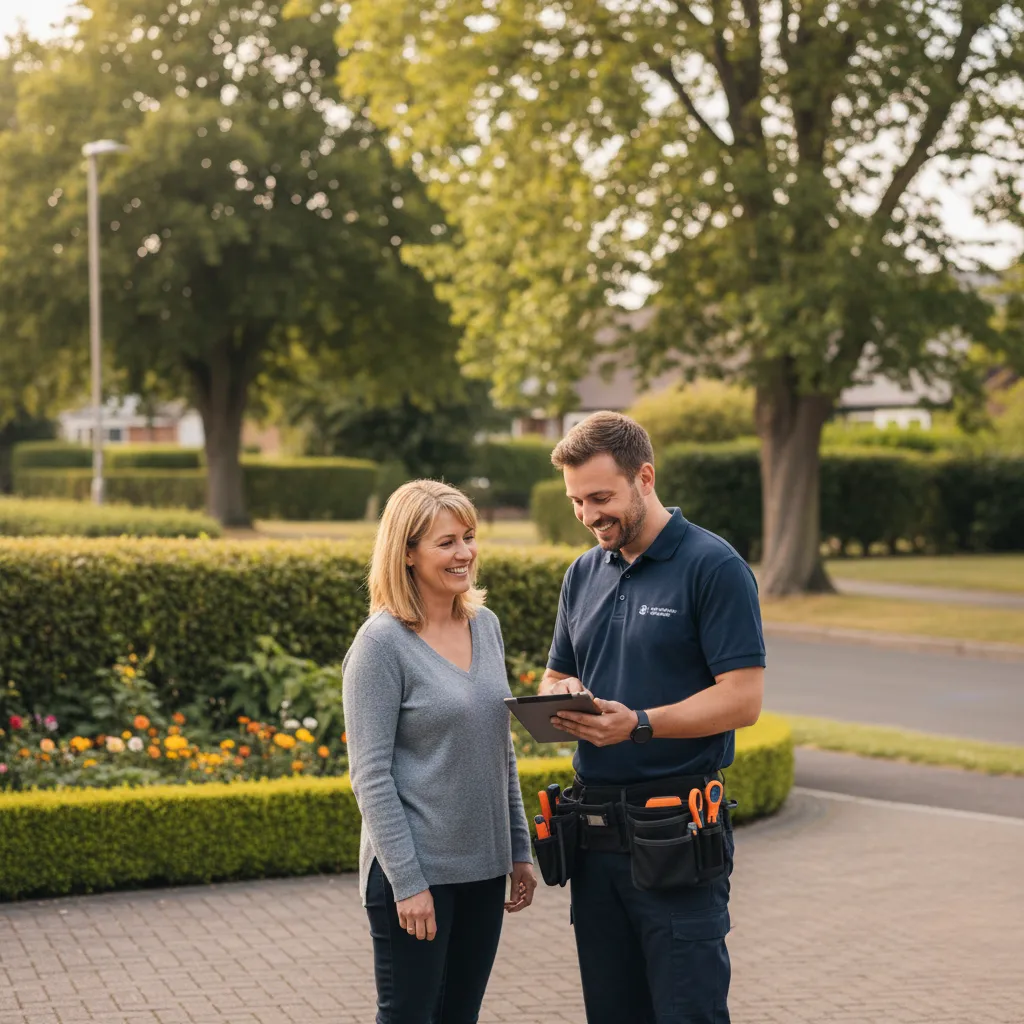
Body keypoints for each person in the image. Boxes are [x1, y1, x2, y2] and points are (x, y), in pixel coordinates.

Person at [539, 411, 765, 1024]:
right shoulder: (582, 572)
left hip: (676, 840)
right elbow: (554, 675)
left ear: (645, 476)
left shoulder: (713, 566)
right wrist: (561, 694)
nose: (589, 515)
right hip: (592, 840)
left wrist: (638, 723)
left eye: (601, 497)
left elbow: (743, 699)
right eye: (577, 502)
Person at [342, 479, 537, 1024]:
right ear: (407, 553)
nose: (465, 553)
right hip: (415, 876)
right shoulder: (380, 646)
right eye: (446, 542)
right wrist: (408, 883)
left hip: (484, 869)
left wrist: (518, 849)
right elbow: (371, 776)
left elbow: (501, 749)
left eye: (469, 537)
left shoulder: (486, 625)